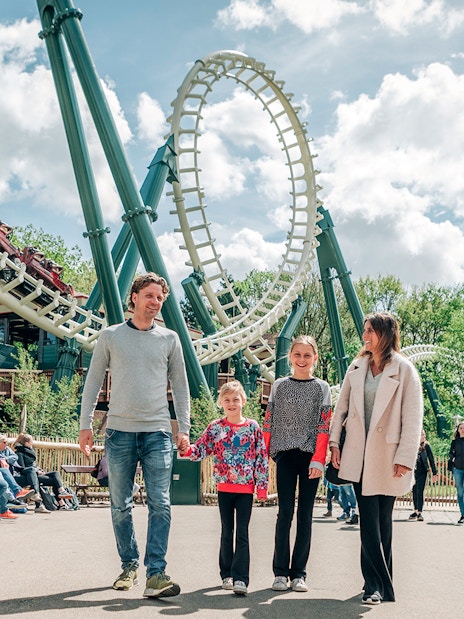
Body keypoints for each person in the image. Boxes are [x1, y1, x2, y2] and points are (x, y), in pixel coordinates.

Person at [79, 272, 190, 598]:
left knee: (161, 503)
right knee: (119, 505)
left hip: (157, 432)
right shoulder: (111, 336)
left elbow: (181, 386)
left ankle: (156, 574)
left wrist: (183, 428)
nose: (155, 302)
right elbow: (94, 379)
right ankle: (129, 566)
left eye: (159, 298)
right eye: (150, 296)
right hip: (119, 432)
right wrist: (86, 424)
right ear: (134, 298)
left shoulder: (169, 339)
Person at [330, 312, 423, 606]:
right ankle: (375, 585)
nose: (365, 335)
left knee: (382, 519)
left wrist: (406, 456)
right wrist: (334, 443)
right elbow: (340, 408)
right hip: (358, 454)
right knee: (368, 519)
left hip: (388, 454)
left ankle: (381, 582)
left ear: (386, 334)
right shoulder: (356, 367)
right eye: (365, 330)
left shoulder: (404, 369)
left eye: (370, 331)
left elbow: (413, 416)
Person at [179, 380, 268, 596]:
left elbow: (261, 458)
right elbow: (201, 448)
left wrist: (262, 487)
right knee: (227, 531)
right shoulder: (215, 427)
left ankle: (241, 578)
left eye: (235, 399)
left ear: (243, 401)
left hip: (245, 489)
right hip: (225, 488)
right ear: (221, 403)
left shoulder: (253, 427)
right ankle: (226, 574)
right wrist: (186, 450)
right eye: (227, 400)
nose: (231, 403)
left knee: (243, 533)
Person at [263, 335, 332, 593]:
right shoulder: (279, 385)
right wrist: (266, 452)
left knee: (305, 515)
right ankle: (280, 572)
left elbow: (324, 424)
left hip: (310, 457)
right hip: (284, 454)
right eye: (297, 355)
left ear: (315, 358)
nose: (302, 360)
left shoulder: (321, 388)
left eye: (307, 355)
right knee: (284, 513)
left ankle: (299, 573)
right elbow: (269, 420)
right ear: (290, 357)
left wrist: (319, 458)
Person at [14, 433, 73, 512]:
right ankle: (39, 504)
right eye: (31, 441)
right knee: (39, 480)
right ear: (26, 443)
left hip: (35, 473)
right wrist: (36, 471)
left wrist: (39, 470)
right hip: (29, 475)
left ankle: (61, 492)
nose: (33, 443)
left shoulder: (30, 451)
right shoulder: (19, 453)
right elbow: (22, 468)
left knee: (55, 474)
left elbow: (34, 465)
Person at [409, 429, 438, 522]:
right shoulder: (413, 445)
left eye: (424, 434)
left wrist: (435, 472)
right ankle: (415, 510)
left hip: (423, 472)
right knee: (414, 491)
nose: (423, 436)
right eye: (421, 434)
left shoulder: (427, 446)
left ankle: (420, 512)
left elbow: (431, 459)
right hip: (413, 472)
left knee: (419, 491)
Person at [448, 421, 464, 525]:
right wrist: (453, 458)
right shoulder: (454, 442)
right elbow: (450, 453)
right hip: (458, 469)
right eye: (461, 428)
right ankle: (463, 514)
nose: (462, 429)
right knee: (460, 492)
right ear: (458, 430)